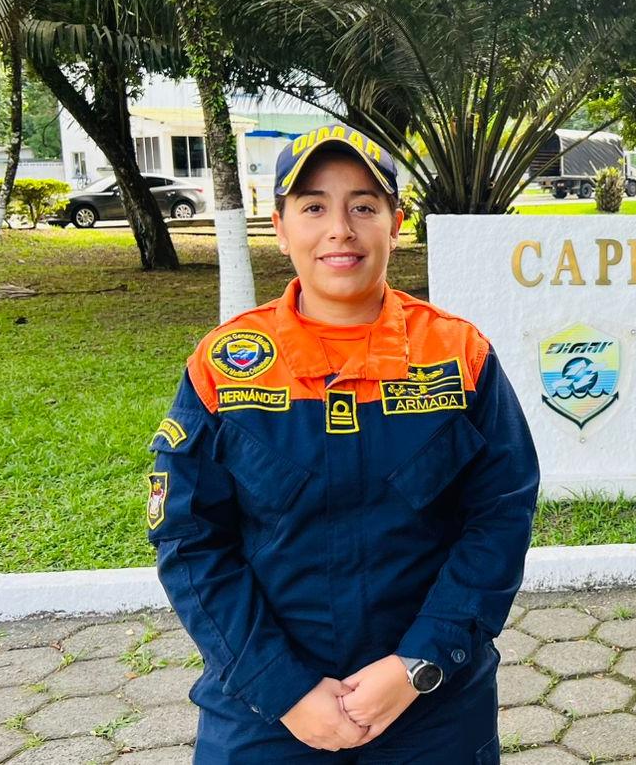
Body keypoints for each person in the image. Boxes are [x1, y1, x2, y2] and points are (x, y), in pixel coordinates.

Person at [146, 122, 540, 763]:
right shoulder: (223, 365)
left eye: (363, 205)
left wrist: (418, 663)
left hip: (430, 702)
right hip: (266, 704)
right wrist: (284, 690)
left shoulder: (458, 354)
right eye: (314, 207)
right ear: (279, 226)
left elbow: (499, 516)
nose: (340, 229)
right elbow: (189, 538)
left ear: (396, 221)